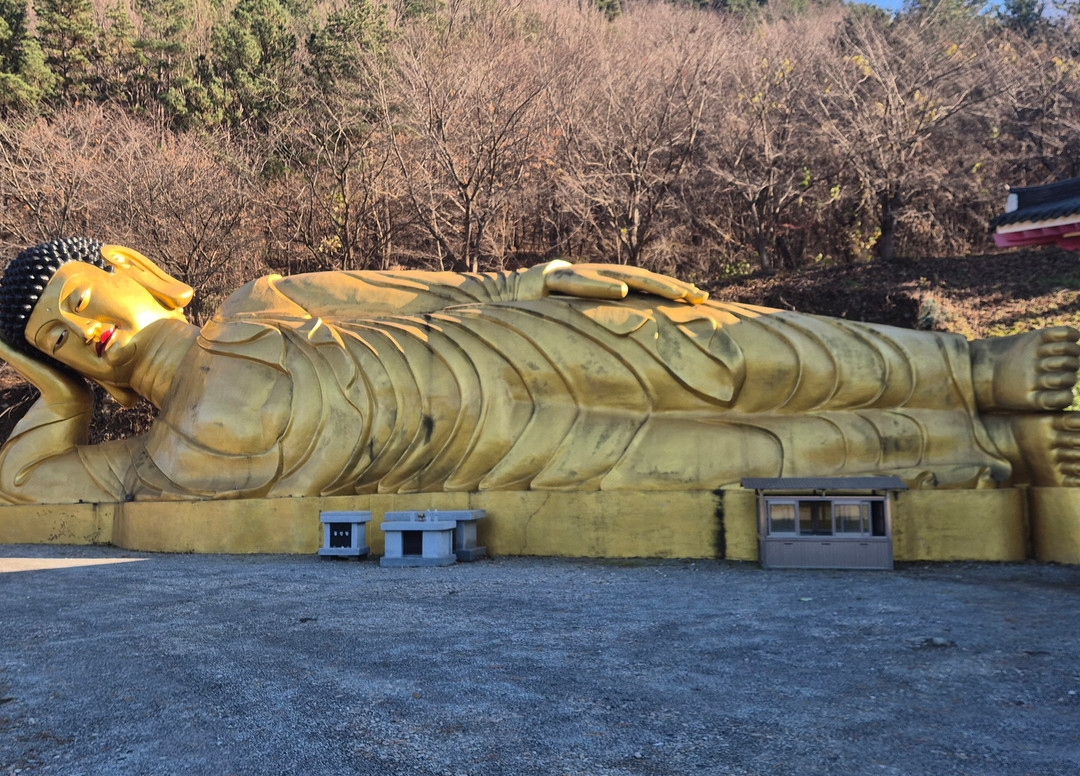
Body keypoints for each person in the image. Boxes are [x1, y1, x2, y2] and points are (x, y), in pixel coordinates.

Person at [0, 237, 1077, 505]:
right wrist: (50, 394)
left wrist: (543, 277)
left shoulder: (263, 302)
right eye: (57, 339)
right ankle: (988, 447)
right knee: (741, 456)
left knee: (726, 347)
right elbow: (25, 489)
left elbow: (420, 289)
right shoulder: (159, 467)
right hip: (509, 453)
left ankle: (984, 367)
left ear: (135, 271)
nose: (83, 333)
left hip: (495, 345)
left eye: (82, 298)